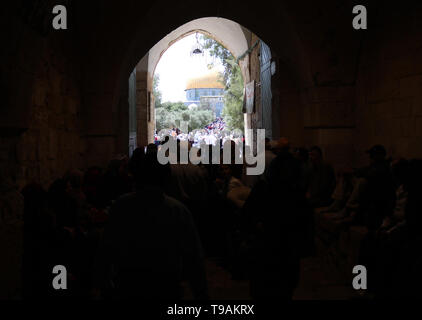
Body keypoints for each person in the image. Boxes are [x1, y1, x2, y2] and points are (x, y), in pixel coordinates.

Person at [93, 151, 208, 300]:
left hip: (128, 286)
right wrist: (201, 294)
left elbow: (106, 248)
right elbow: (194, 259)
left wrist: (101, 283)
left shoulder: (122, 206)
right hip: (166, 287)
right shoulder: (177, 211)